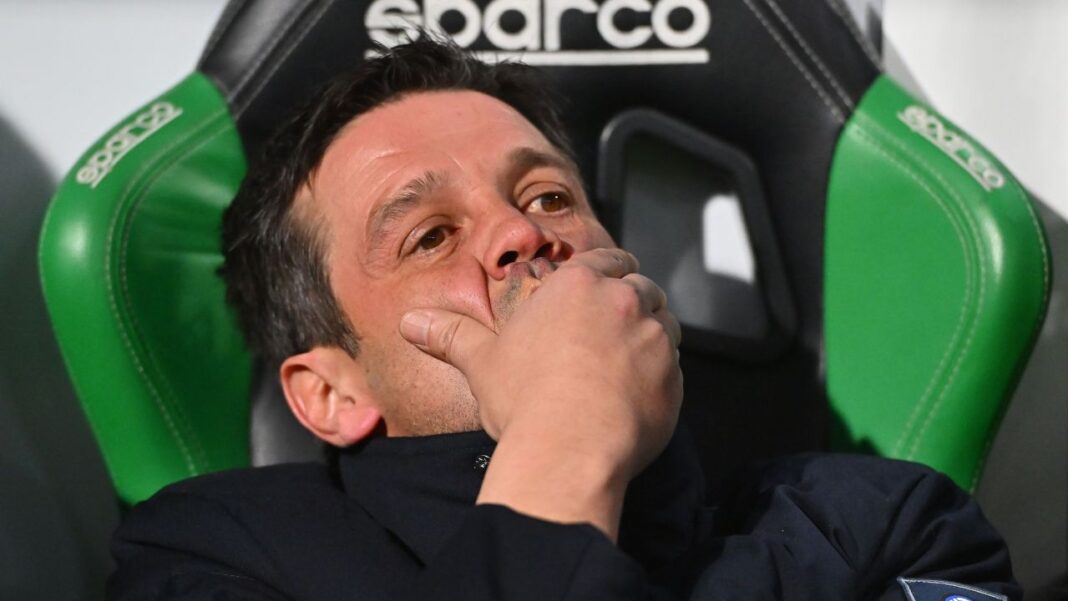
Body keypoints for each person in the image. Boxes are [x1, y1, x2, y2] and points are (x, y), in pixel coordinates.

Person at [107, 38, 1018, 601]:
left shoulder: (883, 524)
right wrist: (564, 443)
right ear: (331, 393)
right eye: (430, 236)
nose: (522, 234)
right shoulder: (206, 553)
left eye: (548, 195)